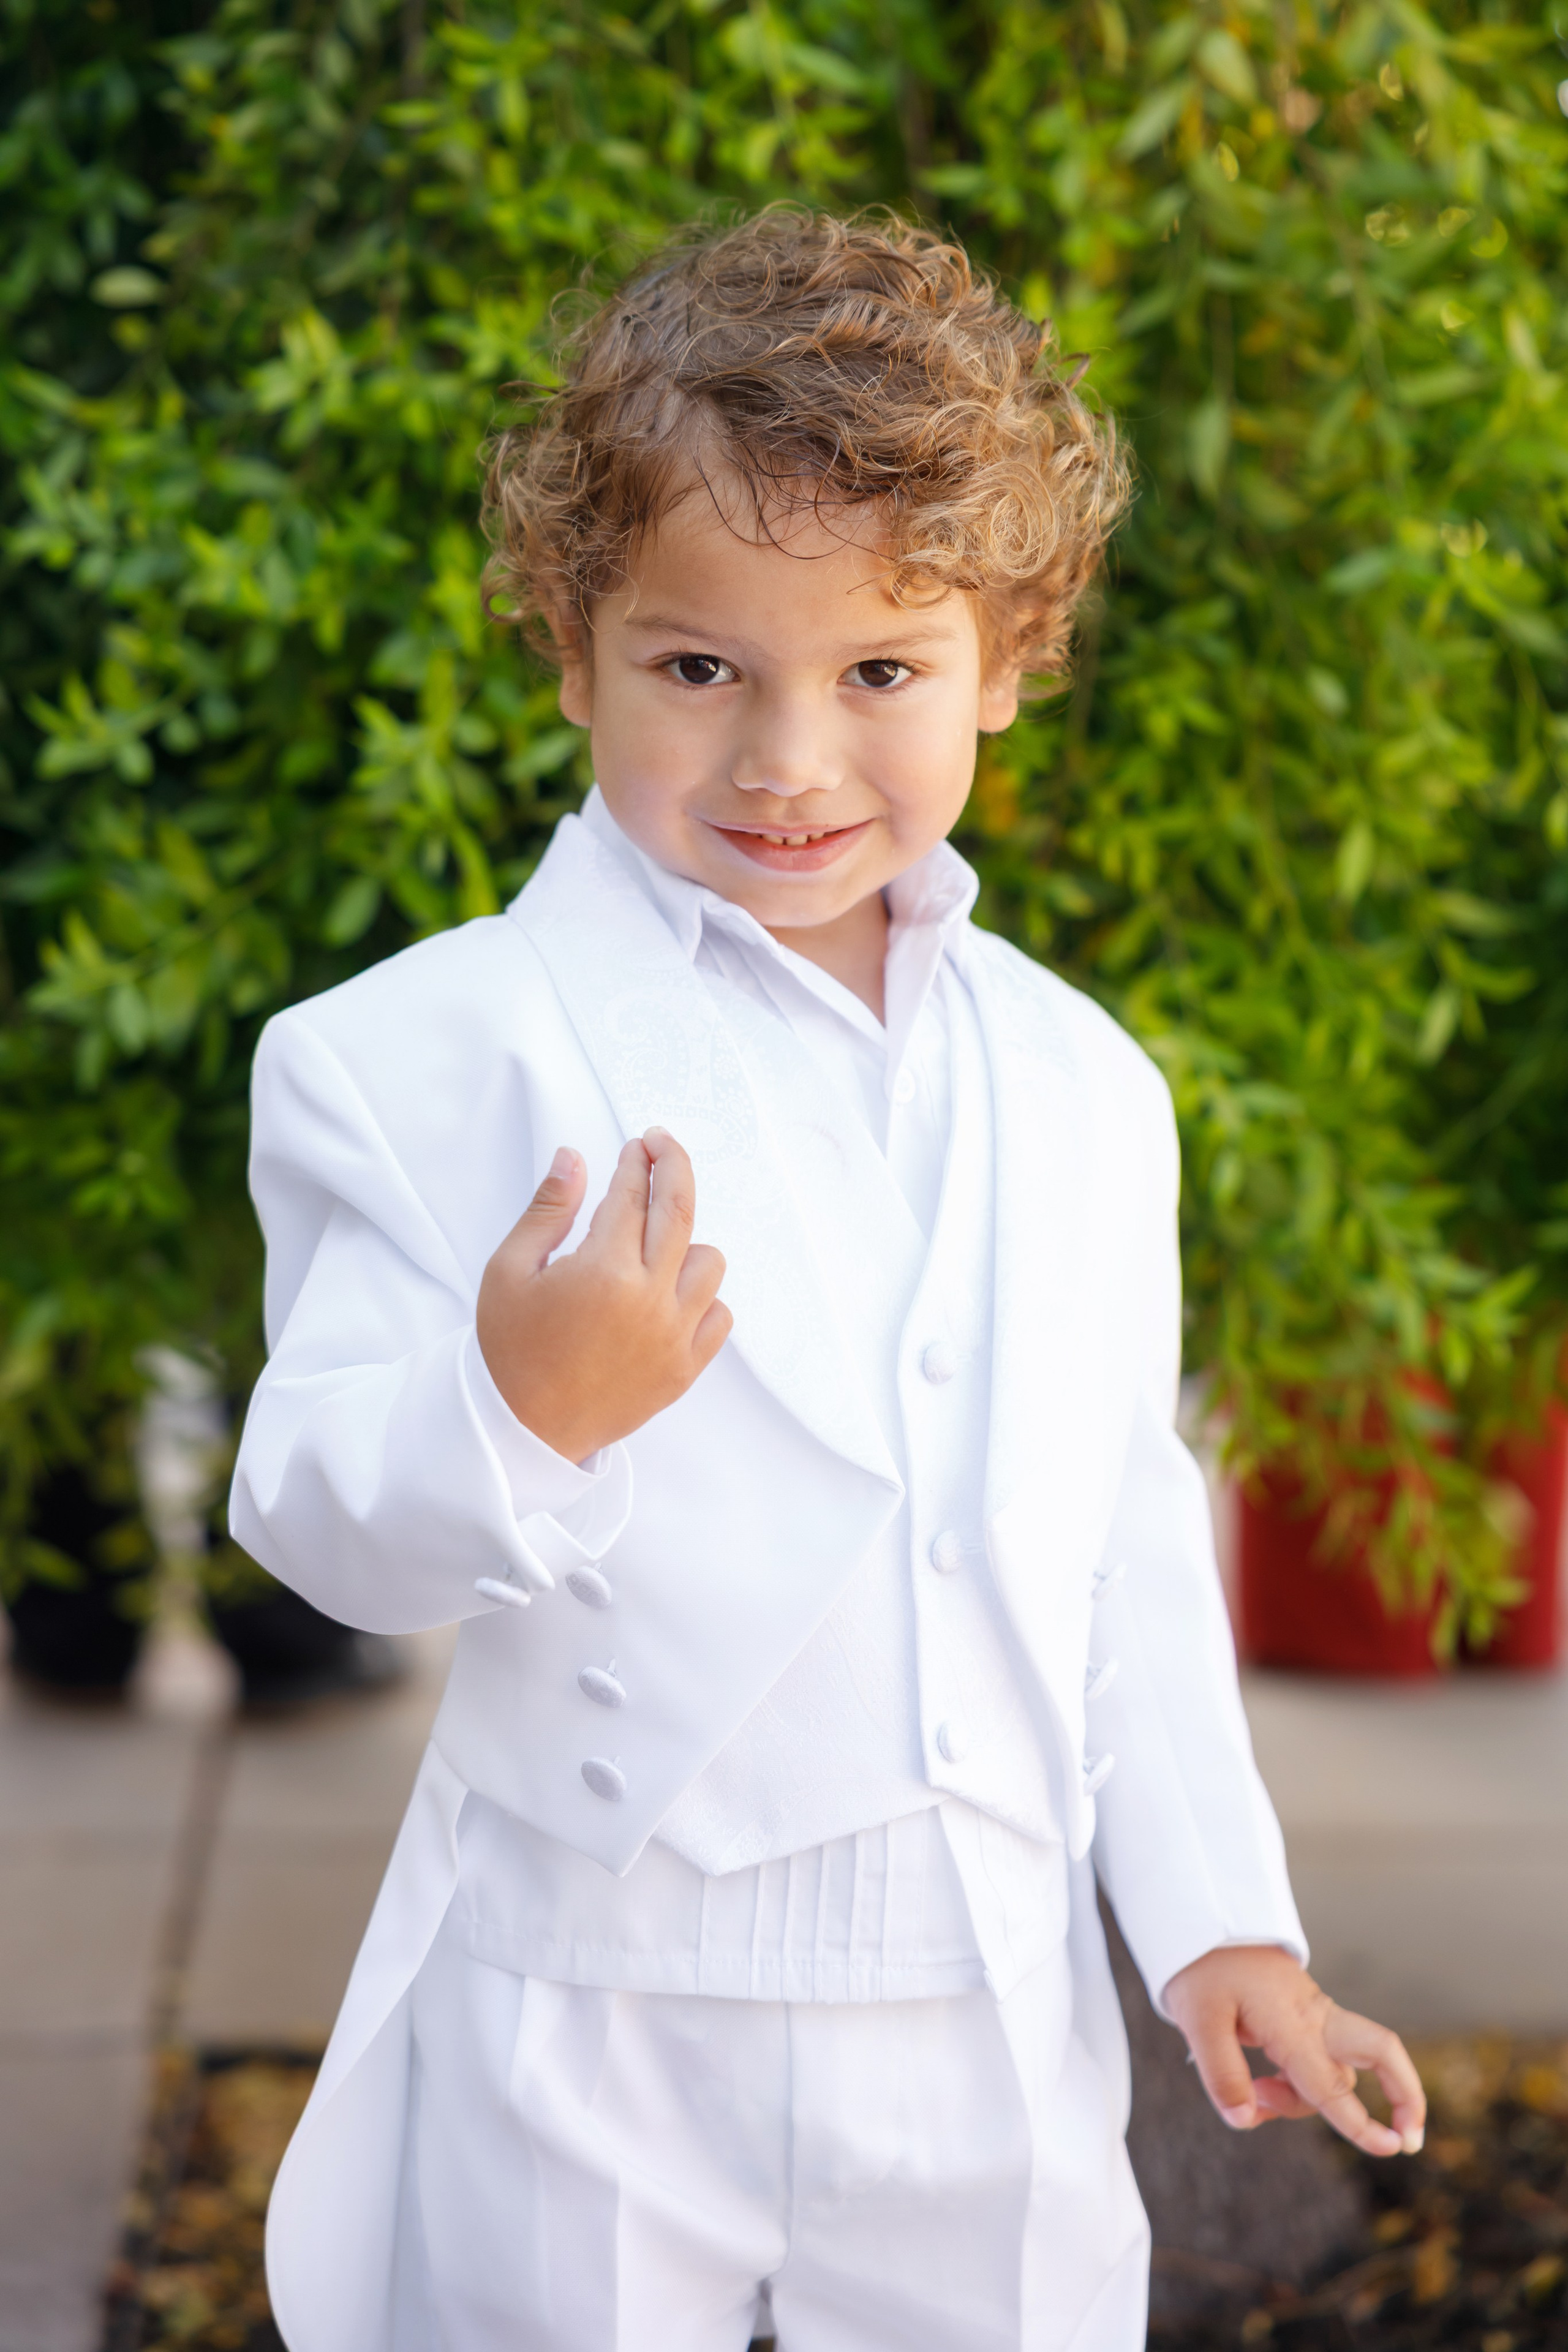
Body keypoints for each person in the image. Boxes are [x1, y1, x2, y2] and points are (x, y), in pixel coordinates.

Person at [232, 209, 1425, 2352]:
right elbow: (314, 1522)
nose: (790, 761)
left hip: (981, 1996)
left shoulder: (1082, 1084)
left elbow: (1117, 1539)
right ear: (574, 646)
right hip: (585, 2002)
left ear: (1013, 652)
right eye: (701, 669)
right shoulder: (408, 1057)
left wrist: (1221, 1924)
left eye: (882, 672)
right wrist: (519, 1408)